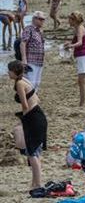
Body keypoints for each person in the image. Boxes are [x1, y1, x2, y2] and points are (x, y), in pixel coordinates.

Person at [10, 60, 45, 191]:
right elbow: (37, 99)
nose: (8, 73)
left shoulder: (19, 83)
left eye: (9, 70)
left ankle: (38, 184)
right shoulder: (25, 80)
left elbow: (25, 105)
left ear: (14, 71)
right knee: (35, 151)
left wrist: (24, 120)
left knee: (31, 152)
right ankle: (35, 183)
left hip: (33, 117)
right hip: (38, 115)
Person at [20, 10, 46, 89]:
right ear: (34, 19)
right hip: (31, 61)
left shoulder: (39, 31)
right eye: (40, 19)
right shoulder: (29, 29)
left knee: (36, 84)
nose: (42, 21)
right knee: (30, 84)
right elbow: (23, 43)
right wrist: (24, 60)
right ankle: (28, 100)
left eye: (43, 19)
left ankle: (33, 100)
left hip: (39, 62)